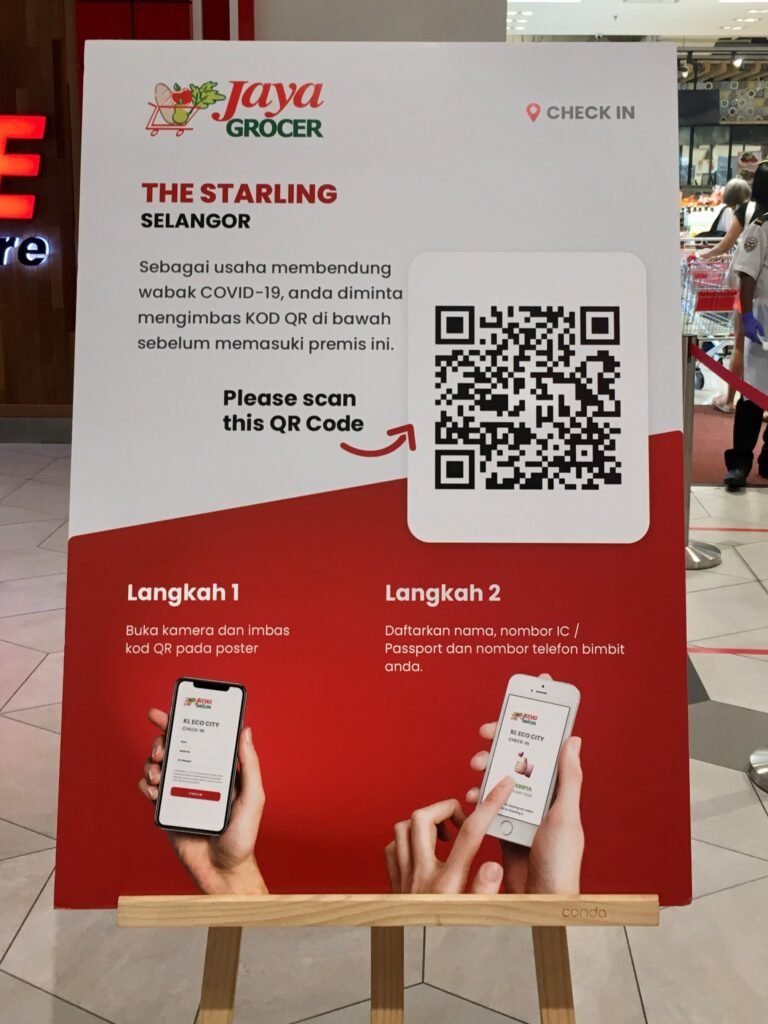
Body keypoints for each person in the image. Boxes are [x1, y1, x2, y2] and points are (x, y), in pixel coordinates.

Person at [724, 161, 768, 490]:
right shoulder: (760, 228)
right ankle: (739, 463)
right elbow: (747, 275)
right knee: (754, 393)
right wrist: (748, 315)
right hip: (765, 314)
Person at [698, 177, 752, 413]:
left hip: (748, 286)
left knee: (740, 344)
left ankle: (731, 400)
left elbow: (724, 245)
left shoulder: (746, 212)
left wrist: (701, 256)